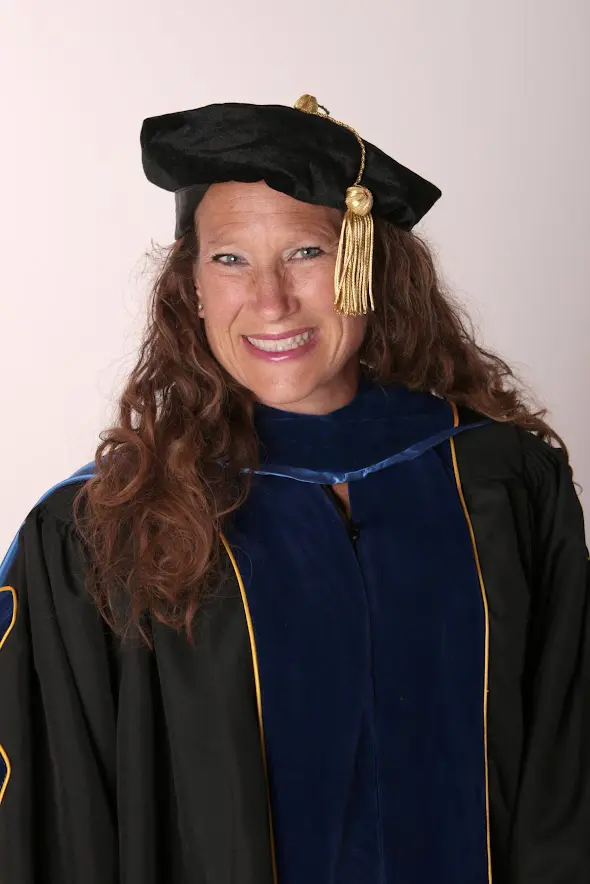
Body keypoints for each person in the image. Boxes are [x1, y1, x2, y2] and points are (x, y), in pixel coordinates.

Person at [0, 93, 588, 884]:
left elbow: (568, 772)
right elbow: (59, 822)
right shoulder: (100, 531)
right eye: (231, 258)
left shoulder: (501, 482)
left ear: (364, 266)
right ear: (192, 288)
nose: (270, 301)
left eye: (307, 254)